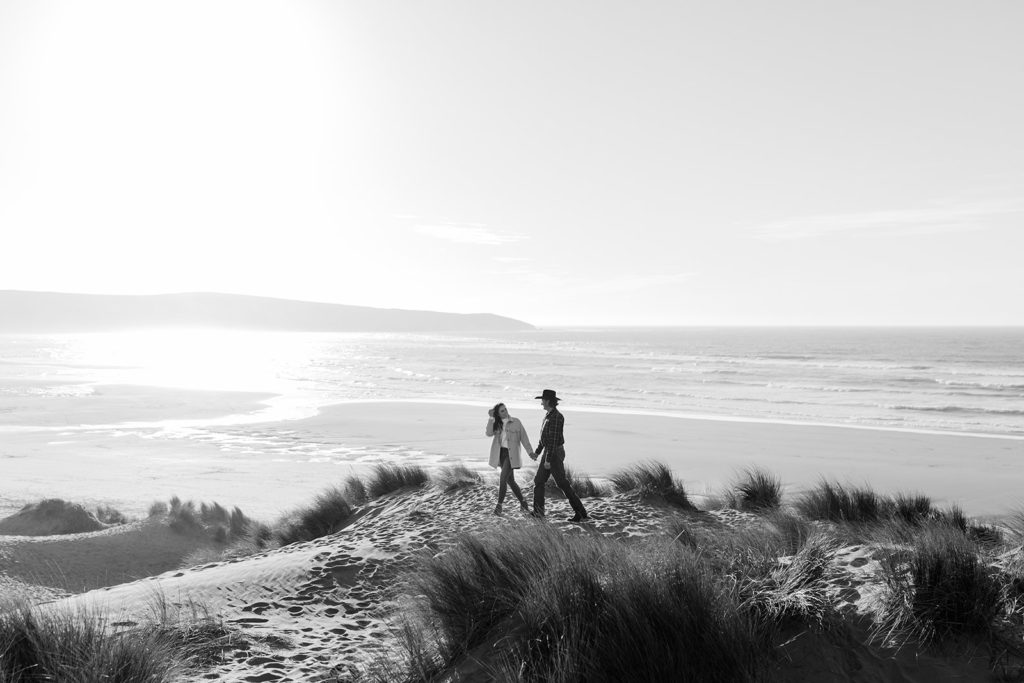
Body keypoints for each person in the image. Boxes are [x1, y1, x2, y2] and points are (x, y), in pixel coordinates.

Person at [530, 389, 589, 522]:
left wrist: (548, 460)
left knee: (562, 483)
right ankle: (538, 512)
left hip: (554, 453)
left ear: (549, 401)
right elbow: (543, 438)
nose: (541, 403)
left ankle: (581, 512)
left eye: (543, 400)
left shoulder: (557, 417)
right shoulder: (548, 415)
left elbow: (553, 440)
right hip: (548, 452)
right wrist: (537, 452)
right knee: (539, 481)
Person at [486, 402, 535, 515]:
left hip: (511, 455)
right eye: (502, 411)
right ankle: (523, 503)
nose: (505, 411)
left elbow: (524, 438)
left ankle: (499, 506)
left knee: (503, 478)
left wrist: (530, 452)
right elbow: (488, 433)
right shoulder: (496, 423)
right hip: (501, 454)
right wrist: (491, 418)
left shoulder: (516, 422)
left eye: (505, 409)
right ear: (498, 414)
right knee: (511, 481)